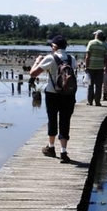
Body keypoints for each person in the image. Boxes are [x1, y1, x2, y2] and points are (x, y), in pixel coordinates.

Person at [29, 34, 77, 164]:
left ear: (55, 47)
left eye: (52, 45)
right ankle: (64, 151)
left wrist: (37, 61)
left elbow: (33, 73)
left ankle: (51, 148)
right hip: (68, 94)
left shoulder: (50, 58)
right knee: (65, 120)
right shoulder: (72, 59)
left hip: (52, 93)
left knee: (52, 119)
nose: (51, 48)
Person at [85, 29, 107, 106]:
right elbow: (106, 58)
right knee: (98, 85)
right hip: (100, 68)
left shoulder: (91, 43)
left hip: (91, 67)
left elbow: (87, 56)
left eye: (95, 34)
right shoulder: (104, 45)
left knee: (90, 85)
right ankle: (97, 102)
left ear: (97, 35)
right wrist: (105, 66)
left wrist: (86, 66)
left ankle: (90, 101)